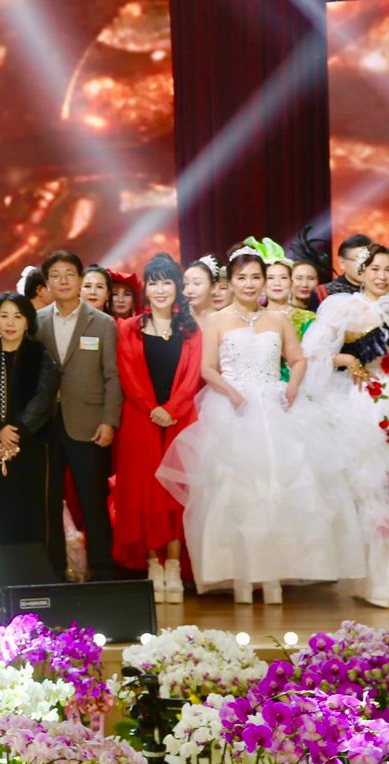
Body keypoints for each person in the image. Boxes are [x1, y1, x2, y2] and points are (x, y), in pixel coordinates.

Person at [161, 249, 362, 604]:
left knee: (280, 490)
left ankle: (273, 577)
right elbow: (207, 368)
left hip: (273, 404)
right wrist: (232, 393)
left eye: (256, 277)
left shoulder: (278, 319)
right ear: (231, 282)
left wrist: (292, 387)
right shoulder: (217, 320)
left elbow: (297, 360)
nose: (249, 284)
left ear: (264, 281)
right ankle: (242, 576)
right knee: (236, 490)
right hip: (231, 407)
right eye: (242, 278)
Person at [302, 243, 389, 608]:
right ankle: (375, 584)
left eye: (388, 270)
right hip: (365, 403)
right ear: (360, 272)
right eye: (374, 269)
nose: (381, 277)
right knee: (371, 486)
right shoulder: (343, 307)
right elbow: (313, 353)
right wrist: (347, 359)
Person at [112, 255, 202, 603]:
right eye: (153, 283)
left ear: (177, 287)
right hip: (141, 419)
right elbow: (128, 376)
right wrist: (153, 410)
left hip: (181, 420)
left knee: (176, 492)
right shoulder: (129, 328)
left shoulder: (191, 330)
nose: (160, 289)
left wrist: (172, 410)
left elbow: (192, 377)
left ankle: (174, 565)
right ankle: (154, 563)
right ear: (145, 290)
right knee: (144, 492)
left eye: (166, 282)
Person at [35, 250, 122, 579]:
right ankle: (54, 569)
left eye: (69, 274)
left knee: (92, 499)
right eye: (55, 275)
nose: (63, 281)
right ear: (47, 283)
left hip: (89, 422)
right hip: (46, 425)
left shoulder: (102, 323)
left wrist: (109, 420)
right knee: (49, 500)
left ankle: (102, 568)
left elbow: (112, 376)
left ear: (80, 279)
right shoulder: (37, 321)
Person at [0, 293, 60, 548]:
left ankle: (34, 567)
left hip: (29, 443)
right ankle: (2, 567)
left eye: (18, 316)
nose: (10, 322)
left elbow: (44, 396)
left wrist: (17, 432)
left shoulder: (38, 352)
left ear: (27, 322)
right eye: (4, 316)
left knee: (31, 509)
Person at [310, 234, 372, 310]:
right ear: (341, 262)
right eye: (359, 260)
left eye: (368, 260)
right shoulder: (323, 293)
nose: (364, 265)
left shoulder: (380, 291)